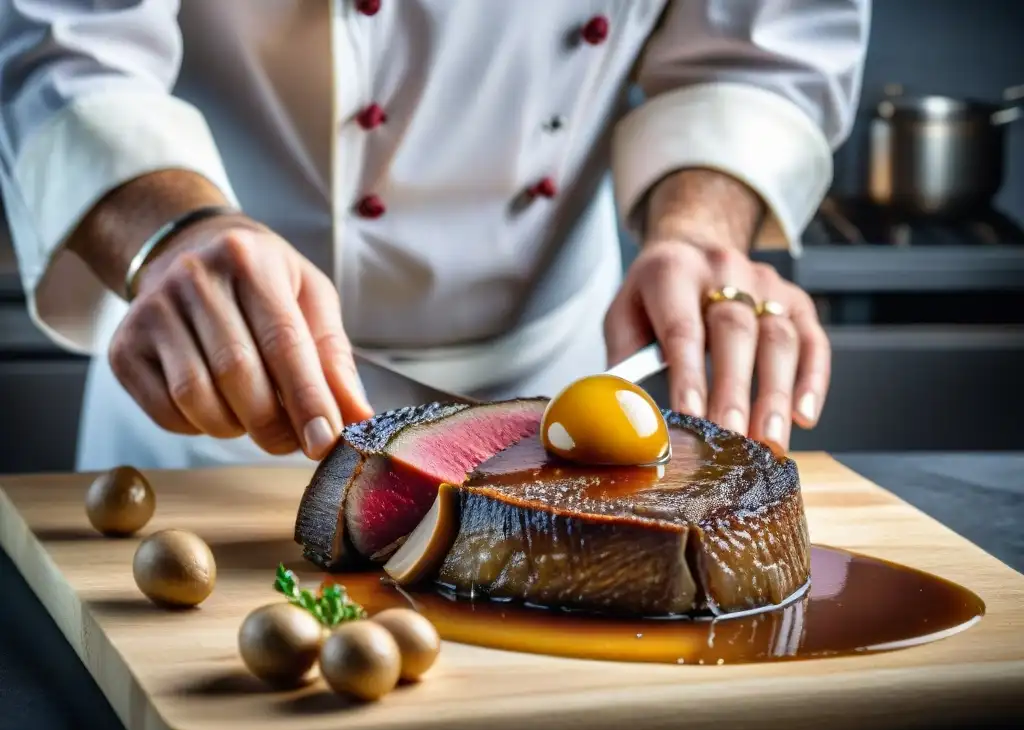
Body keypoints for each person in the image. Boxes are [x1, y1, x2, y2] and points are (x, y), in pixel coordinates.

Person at [0, 0, 870, 472]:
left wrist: (701, 228)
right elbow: (66, 43)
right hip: (223, 385)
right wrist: (175, 230)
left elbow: (757, 49)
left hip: (564, 397)